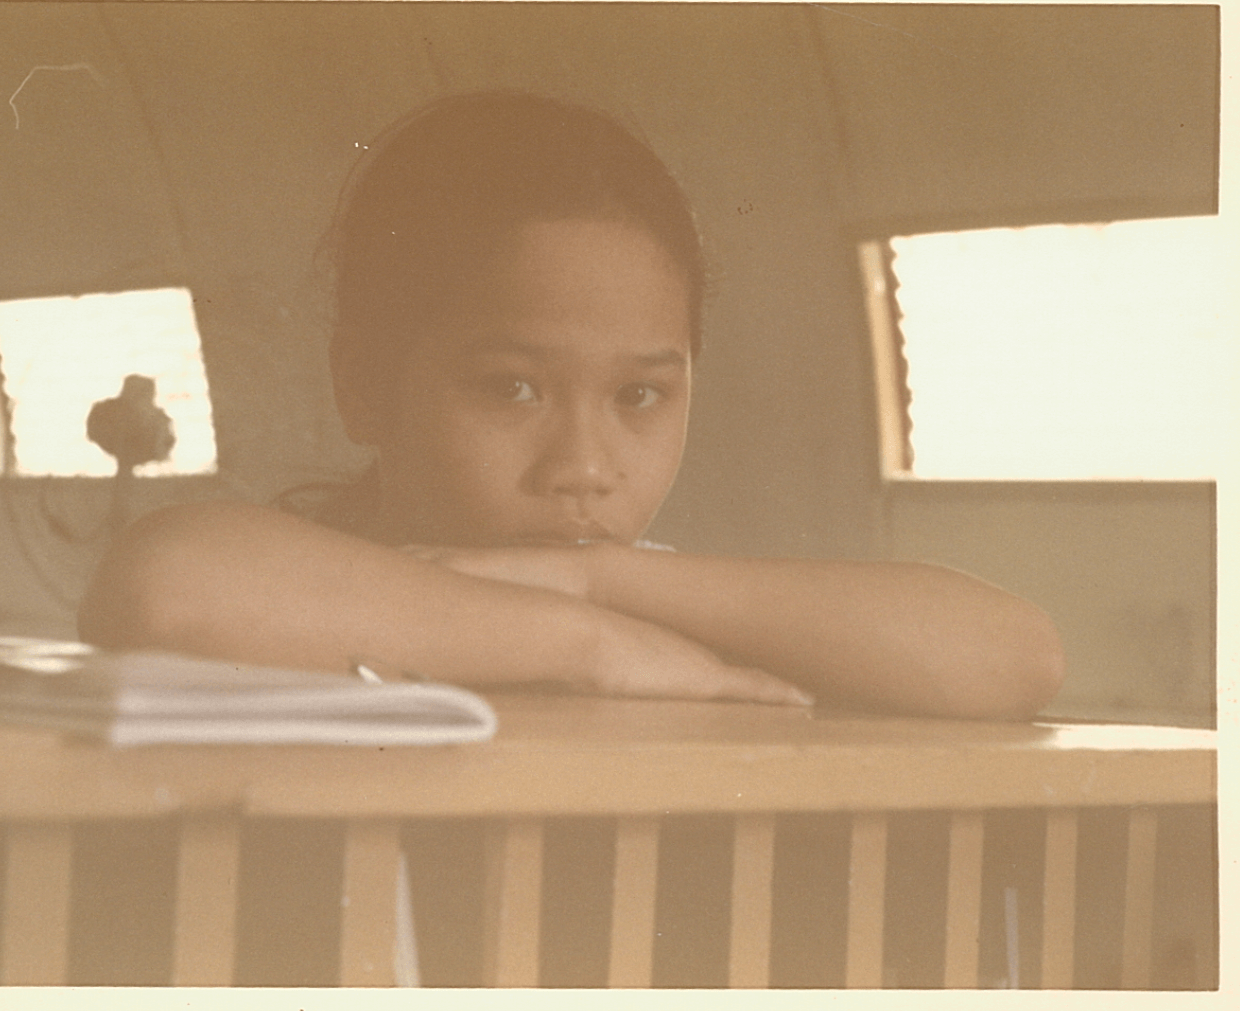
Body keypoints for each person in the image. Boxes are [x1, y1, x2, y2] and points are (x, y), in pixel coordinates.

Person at [78, 91, 1063, 721]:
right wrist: (586, 641)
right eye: (512, 387)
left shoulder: (638, 597)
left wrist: (599, 589)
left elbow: (1017, 657)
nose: (584, 464)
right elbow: (165, 585)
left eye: (640, 395)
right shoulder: (301, 584)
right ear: (365, 386)